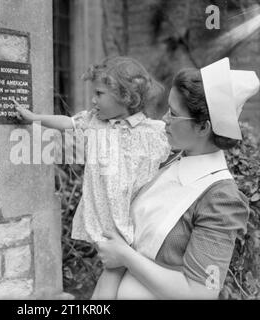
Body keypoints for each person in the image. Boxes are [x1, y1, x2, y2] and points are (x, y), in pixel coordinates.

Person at [94, 57, 260, 299]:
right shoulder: (171, 161)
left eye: (173, 113)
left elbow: (204, 292)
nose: (164, 119)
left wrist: (125, 256)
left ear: (203, 127)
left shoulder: (221, 200)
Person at [13, 56, 171, 299]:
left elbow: (174, 152)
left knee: (116, 268)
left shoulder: (151, 130)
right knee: (114, 267)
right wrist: (35, 118)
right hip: (105, 215)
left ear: (126, 97)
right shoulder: (94, 123)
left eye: (99, 93)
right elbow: (68, 123)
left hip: (134, 216)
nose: (93, 100)